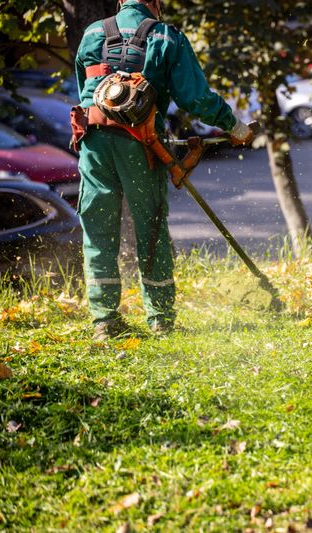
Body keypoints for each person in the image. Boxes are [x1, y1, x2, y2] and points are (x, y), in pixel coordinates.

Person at [73, 0, 252, 340]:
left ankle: (104, 322)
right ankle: (159, 320)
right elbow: (195, 97)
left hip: (94, 143)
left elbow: (86, 89)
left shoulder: (92, 32)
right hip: (141, 145)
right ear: (155, 3)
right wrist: (233, 125)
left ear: (121, 1)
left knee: (98, 228)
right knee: (150, 228)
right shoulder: (166, 37)